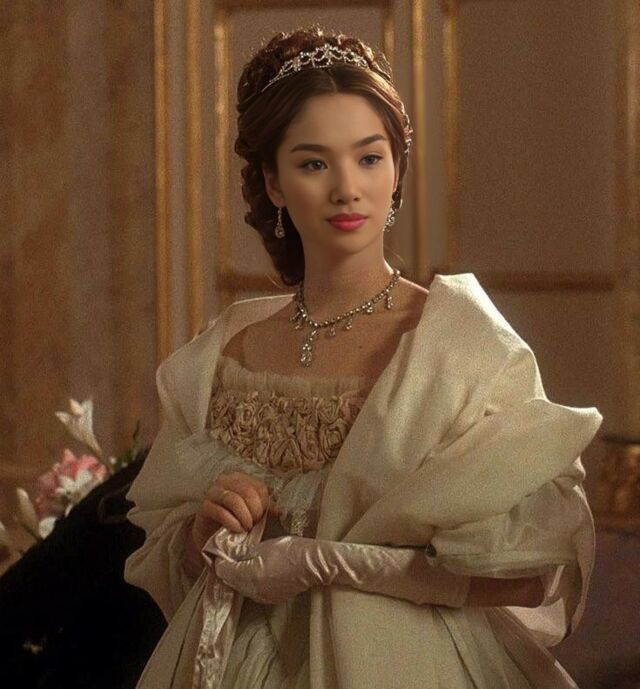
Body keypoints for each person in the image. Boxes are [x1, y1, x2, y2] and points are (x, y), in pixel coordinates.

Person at [123, 26, 603, 689]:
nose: (348, 188)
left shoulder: (458, 346)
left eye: (369, 158)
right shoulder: (222, 352)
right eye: (314, 164)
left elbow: (530, 573)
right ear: (274, 182)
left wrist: (326, 564)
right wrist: (203, 534)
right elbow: (169, 549)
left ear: (396, 169)